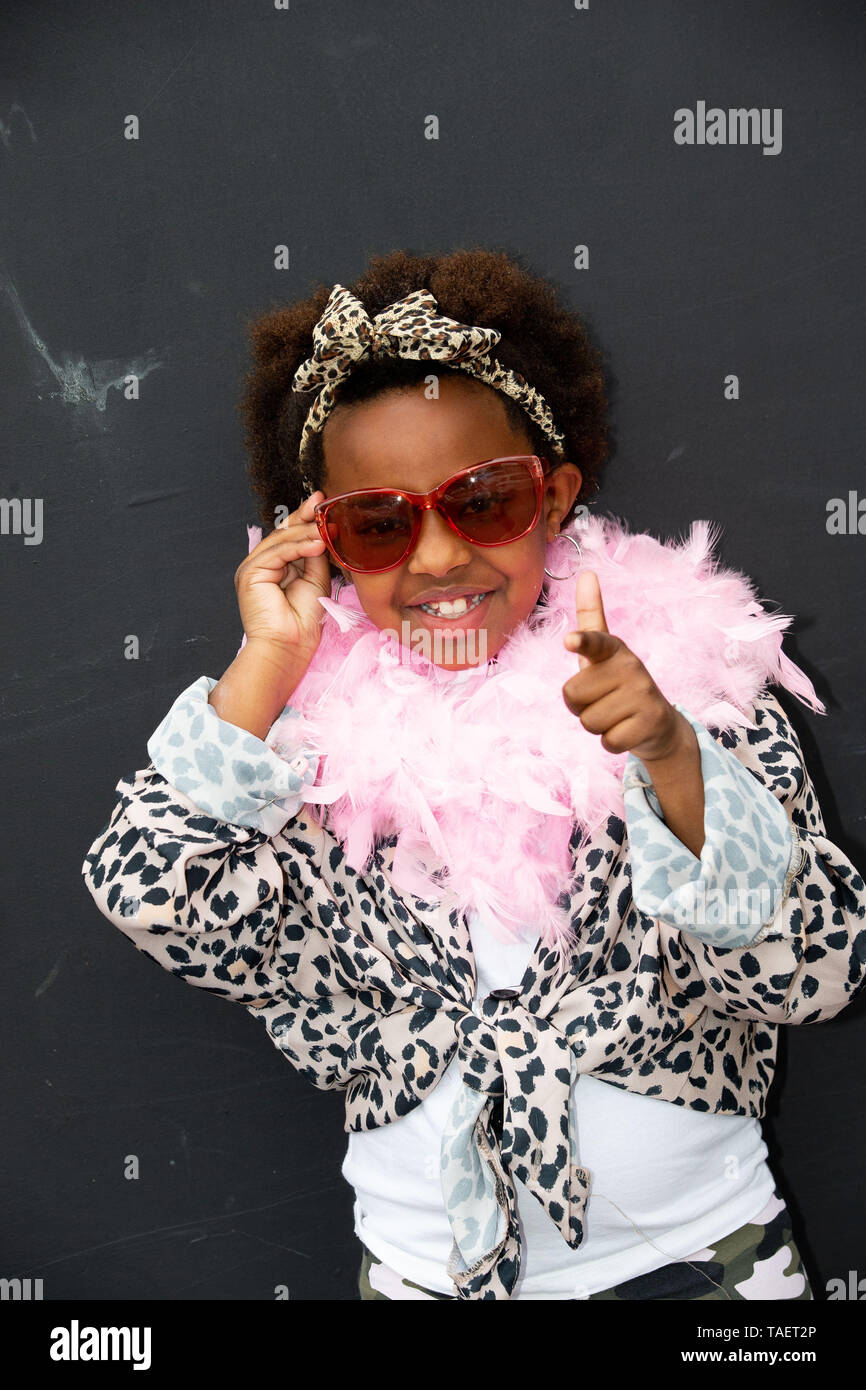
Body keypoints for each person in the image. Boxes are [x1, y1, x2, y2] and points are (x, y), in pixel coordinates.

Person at [82, 247, 866, 1301]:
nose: (440, 557)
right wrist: (265, 666)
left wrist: (673, 760)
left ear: (553, 495)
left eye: (482, 501)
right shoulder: (295, 746)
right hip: (422, 1279)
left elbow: (815, 977)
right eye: (379, 521)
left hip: (705, 1270)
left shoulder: (692, 685)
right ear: (318, 539)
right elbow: (152, 897)